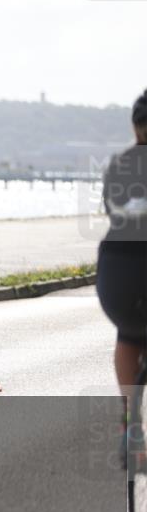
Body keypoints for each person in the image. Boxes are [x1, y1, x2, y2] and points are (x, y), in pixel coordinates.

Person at [100, 90, 147, 420]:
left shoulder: (118, 164)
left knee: (129, 335)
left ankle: (131, 427)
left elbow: (113, 213)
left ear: (135, 127)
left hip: (116, 276)